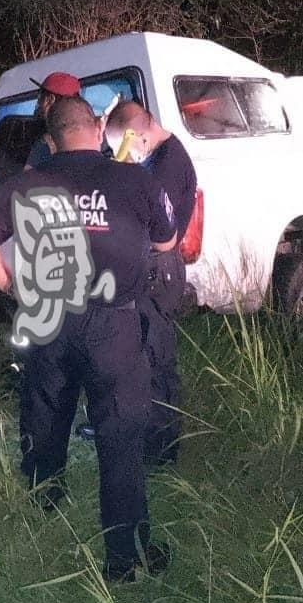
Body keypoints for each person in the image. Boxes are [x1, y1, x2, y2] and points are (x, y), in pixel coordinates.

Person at [0, 96, 177, 583]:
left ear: (49, 138)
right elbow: (167, 241)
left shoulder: (26, 183)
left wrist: (6, 284)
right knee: (120, 436)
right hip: (115, 324)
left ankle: (43, 503)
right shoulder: (136, 180)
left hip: (49, 318)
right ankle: (123, 556)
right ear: (98, 127)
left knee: (44, 410)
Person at [105, 101, 197, 465]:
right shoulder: (156, 158)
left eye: (123, 144)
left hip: (160, 272)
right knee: (141, 356)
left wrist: (123, 166)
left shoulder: (167, 166)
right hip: (152, 269)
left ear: (137, 135)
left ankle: (161, 449)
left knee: (157, 359)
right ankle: (145, 435)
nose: (121, 154)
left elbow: (160, 230)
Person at [24, 72, 81, 169]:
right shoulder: (88, 137)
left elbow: (27, 180)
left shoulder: (47, 142)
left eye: (40, 96)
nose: (38, 102)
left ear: (50, 100)